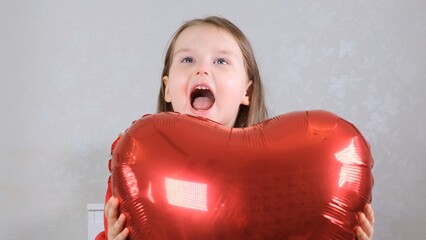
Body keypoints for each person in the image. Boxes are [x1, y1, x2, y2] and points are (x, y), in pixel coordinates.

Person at [95, 16, 375, 240]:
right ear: (167, 89)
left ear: (247, 92)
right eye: (187, 59)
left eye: (221, 61)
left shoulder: (282, 166)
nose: (202, 69)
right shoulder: (140, 162)